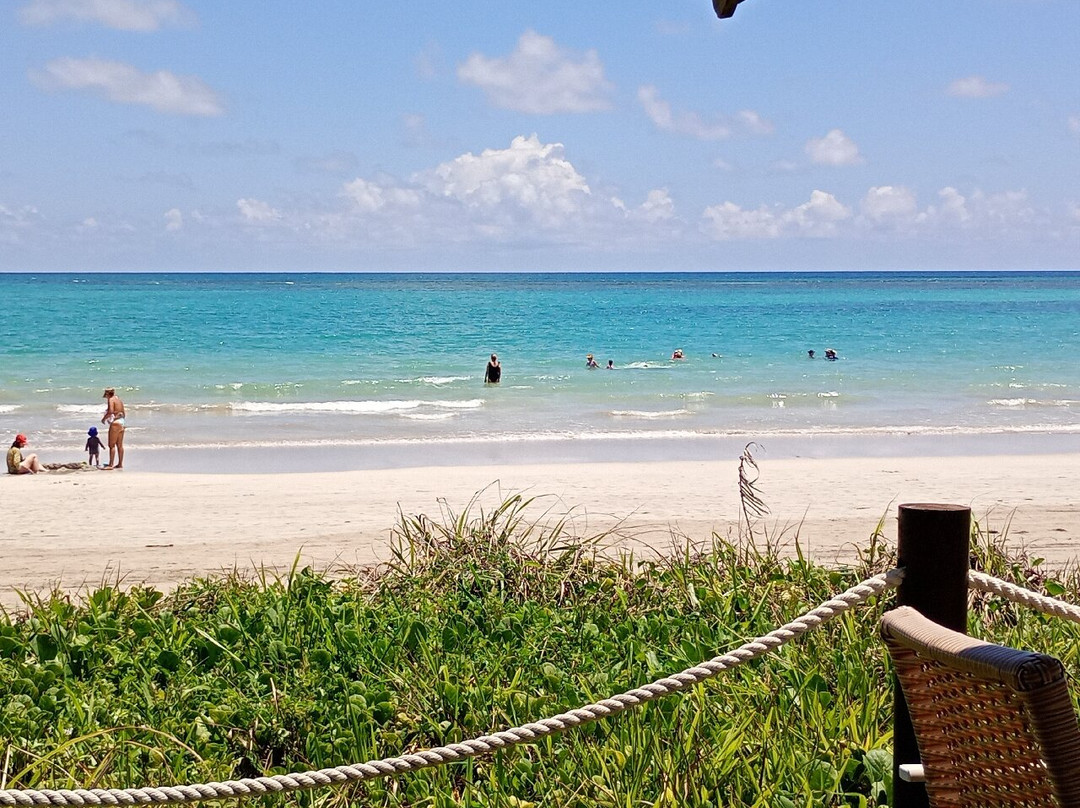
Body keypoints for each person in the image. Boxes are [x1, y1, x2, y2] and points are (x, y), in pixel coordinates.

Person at [101, 387, 126, 469]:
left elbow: (111, 411)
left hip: (115, 423)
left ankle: (110, 464)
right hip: (122, 421)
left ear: (107, 394)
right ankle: (120, 464)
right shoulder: (118, 399)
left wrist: (104, 418)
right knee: (120, 445)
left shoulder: (111, 400)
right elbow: (123, 412)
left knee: (111, 445)